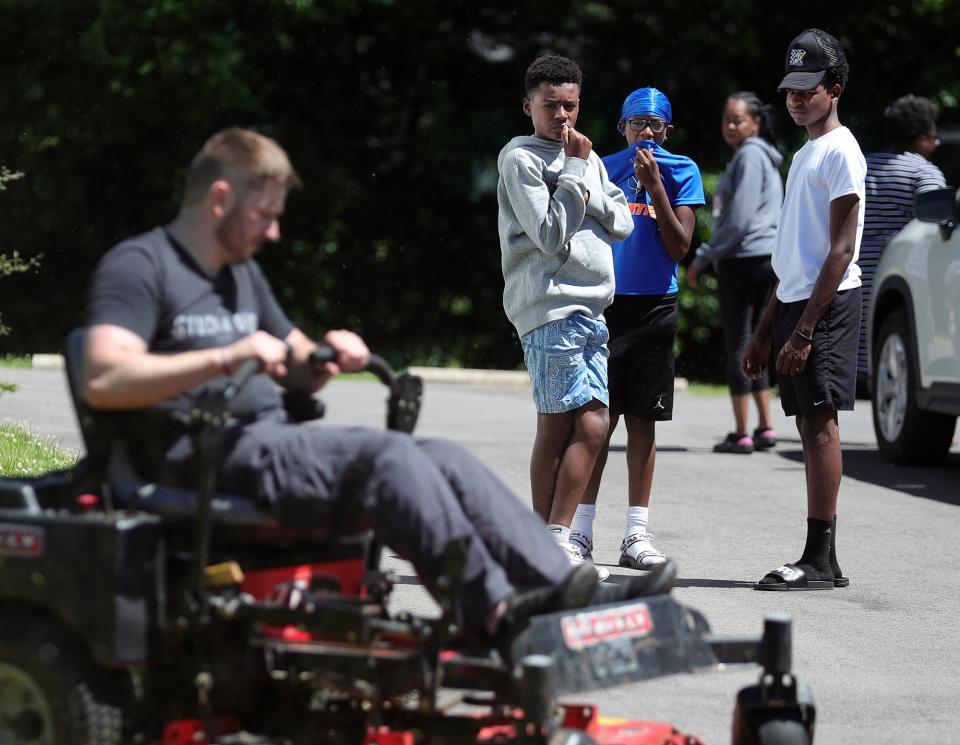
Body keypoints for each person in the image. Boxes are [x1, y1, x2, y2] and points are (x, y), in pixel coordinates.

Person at [82, 128, 669, 653]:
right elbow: (104, 379)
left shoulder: (240, 274)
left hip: (262, 446)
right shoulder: (141, 267)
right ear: (218, 200)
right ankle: (493, 612)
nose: (274, 231)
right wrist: (225, 356)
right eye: (264, 216)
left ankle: (561, 587)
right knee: (387, 460)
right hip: (200, 458)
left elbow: (293, 359)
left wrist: (325, 357)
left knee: (440, 456)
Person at [496, 55, 634, 572]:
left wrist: (581, 182)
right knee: (559, 424)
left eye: (570, 105)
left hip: (593, 304)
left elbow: (621, 221)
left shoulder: (588, 157)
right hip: (551, 305)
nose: (561, 116)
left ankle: (555, 535)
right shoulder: (521, 159)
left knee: (595, 424)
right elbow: (550, 235)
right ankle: (546, 542)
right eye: (550, 105)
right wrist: (577, 175)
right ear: (528, 104)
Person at [740, 29, 865, 591]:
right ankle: (824, 561)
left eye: (808, 89)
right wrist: (767, 331)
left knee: (820, 427)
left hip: (828, 303)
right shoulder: (805, 153)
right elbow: (793, 256)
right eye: (790, 90)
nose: (795, 99)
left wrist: (806, 329)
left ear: (834, 88)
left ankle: (820, 557)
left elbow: (841, 249)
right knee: (808, 424)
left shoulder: (842, 151)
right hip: (796, 301)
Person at [569, 87, 704, 570]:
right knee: (596, 421)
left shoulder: (681, 169)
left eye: (657, 124)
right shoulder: (600, 166)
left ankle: (635, 534)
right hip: (603, 304)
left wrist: (657, 186)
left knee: (643, 421)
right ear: (621, 126)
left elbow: (679, 246)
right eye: (637, 122)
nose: (647, 132)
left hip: (654, 307)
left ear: (669, 130)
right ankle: (580, 531)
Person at [687, 92, 784, 454]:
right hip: (768, 259)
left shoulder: (748, 156)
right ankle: (765, 426)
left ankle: (742, 432)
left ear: (755, 122)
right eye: (726, 119)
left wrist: (705, 256)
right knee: (758, 340)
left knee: (739, 343)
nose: (730, 126)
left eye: (738, 119)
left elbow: (739, 218)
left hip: (742, 260)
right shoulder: (767, 158)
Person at [856, 94, 946, 397]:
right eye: (934, 138)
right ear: (922, 139)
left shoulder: (862, 166)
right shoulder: (924, 172)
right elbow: (936, 224)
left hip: (853, 273)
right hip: (899, 276)